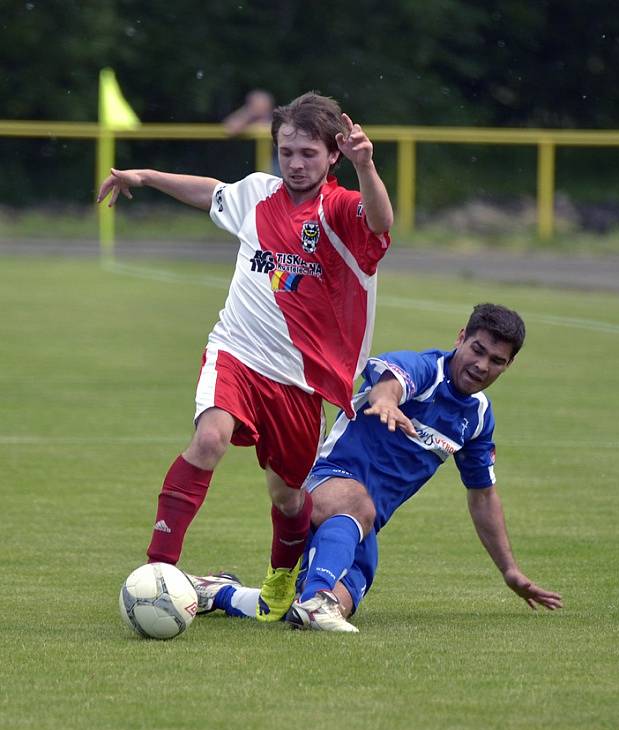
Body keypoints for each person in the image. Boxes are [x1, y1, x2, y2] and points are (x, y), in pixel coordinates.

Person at [96, 92, 394, 622]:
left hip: (301, 381)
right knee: (209, 437)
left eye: (308, 153)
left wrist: (367, 167)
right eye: (286, 152)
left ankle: (282, 575)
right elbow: (211, 192)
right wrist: (144, 176)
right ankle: (156, 573)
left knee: (288, 498)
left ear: (332, 156)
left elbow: (379, 220)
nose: (296, 163)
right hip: (236, 352)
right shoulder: (258, 194)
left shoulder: (340, 209)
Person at [186, 304, 563, 632]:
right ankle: (317, 597)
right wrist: (385, 401)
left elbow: (482, 496)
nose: (482, 366)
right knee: (350, 523)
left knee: (301, 613)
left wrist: (509, 570)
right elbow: (391, 383)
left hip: (363, 529)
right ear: (460, 338)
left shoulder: (478, 418)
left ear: (508, 365)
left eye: (496, 361)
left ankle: (220, 591)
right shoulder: (425, 369)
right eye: (477, 350)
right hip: (323, 487)